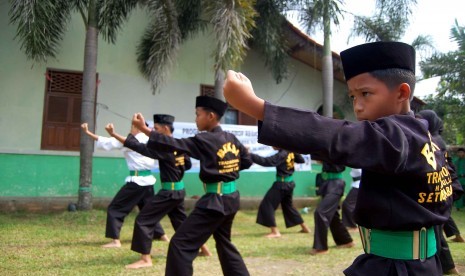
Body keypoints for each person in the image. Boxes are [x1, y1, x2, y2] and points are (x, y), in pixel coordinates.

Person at [223, 41, 462, 275]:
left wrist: (254, 106)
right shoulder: (420, 136)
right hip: (408, 263)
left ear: (401, 92)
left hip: (397, 267)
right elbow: (452, 187)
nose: (357, 106)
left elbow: (338, 136)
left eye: (365, 93)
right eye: (352, 97)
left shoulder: (397, 137)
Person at [131, 96, 253, 276]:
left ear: (210, 116)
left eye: (198, 114)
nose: (196, 119)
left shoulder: (205, 140)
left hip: (215, 202)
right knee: (224, 242)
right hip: (231, 198)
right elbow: (247, 160)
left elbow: (175, 144)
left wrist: (144, 129)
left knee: (180, 245)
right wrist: (227, 171)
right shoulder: (231, 138)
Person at [104, 114, 211, 269]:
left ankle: (146, 259)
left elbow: (139, 147)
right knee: (181, 223)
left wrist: (118, 134)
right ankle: (205, 250)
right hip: (179, 190)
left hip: (169, 192)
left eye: (156, 129)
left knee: (143, 221)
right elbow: (187, 165)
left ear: (166, 128)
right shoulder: (180, 145)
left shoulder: (165, 148)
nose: (153, 131)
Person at [81, 122, 167, 248]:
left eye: (132, 126)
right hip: (148, 181)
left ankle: (115, 240)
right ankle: (162, 235)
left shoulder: (131, 141)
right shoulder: (150, 139)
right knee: (148, 210)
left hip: (137, 182)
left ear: (137, 127)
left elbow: (108, 142)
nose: (130, 128)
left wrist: (87, 133)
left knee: (115, 208)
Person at [416, 109, 464, 275]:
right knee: (438, 227)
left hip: (439, 189)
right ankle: (447, 265)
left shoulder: (432, 140)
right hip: (442, 190)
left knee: (436, 231)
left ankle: (448, 266)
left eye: (422, 119)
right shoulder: (436, 139)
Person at [249, 148, 310, 238]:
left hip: (282, 184)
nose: (272, 147)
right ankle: (305, 228)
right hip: (290, 183)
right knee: (289, 207)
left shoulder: (282, 153)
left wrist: (250, 155)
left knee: (267, 205)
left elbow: (266, 162)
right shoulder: (289, 150)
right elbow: (301, 160)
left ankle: (275, 232)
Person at [311, 161, 354, 254]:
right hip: (326, 183)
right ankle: (345, 241)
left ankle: (321, 248)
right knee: (333, 214)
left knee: (320, 212)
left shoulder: (337, 147)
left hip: (336, 184)